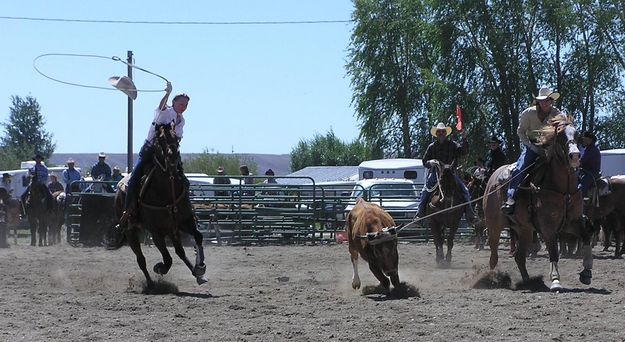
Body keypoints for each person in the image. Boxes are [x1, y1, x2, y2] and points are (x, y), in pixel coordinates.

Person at [122, 82, 190, 220]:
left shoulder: (181, 121)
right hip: (150, 149)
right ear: (174, 102)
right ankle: (127, 210)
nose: (184, 107)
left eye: (186, 105)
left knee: (183, 179)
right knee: (134, 177)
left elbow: (178, 138)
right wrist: (167, 93)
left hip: (169, 152)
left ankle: (184, 210)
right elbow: (161, 106)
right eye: (181, 104)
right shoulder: (166, 112)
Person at [501, 86, 561, 214]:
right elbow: (520, 132)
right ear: (538, 101)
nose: (544, 103)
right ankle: (510, 197)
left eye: (547, 100)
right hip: (532, 146)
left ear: (551, 100)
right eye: (542, 100)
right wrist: (531, 146)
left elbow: (561, 130)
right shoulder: (528, 113)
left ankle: (573, 198)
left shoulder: (556, 113)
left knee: (567, 166)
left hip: (550, 147)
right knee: (520, 168)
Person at [414, 122, 479, 224]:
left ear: (446, 133)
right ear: (436, 133)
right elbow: (424, 162)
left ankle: (470, 214)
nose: (441, 133)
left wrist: (464, 139)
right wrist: (430, 162)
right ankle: (420, 214)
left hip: (452, 174)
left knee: (465, 190)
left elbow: (464, 151)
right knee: (425, 191)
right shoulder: (432, 147)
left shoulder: (453, 145)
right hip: (436, 173)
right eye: (439, 131)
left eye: (443, 131)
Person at [578, 131, 601, 199]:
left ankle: (583, 202)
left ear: (590, 140)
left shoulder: (592, 150)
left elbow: (584, 161)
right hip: (587, 172)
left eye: (585, 139)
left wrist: (576, 163)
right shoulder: (589, 149)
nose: (583, 141)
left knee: (580, 187)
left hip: (591, 173)